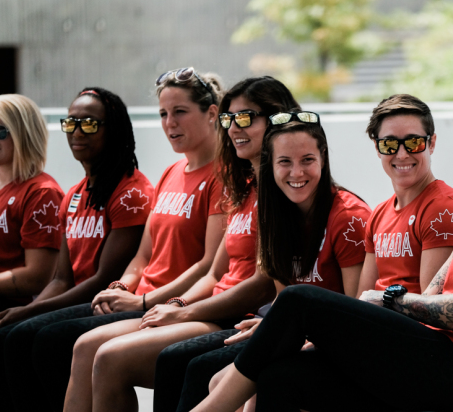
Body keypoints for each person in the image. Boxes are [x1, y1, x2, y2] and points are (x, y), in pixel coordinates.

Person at [192, 101, 453, 412]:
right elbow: (433, 294)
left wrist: (388, 300)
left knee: (298, 300)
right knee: (282, 378)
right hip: (423, 356)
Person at [61, 76, 305, 412]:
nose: (234, 128)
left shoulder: (282, 193)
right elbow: (215, 272)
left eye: (246, 117)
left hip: (233, 315)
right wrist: (176, 304)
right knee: (87, 347)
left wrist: (177, 308)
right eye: (230, 119)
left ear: (278, 119)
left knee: (114, 356)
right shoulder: (245, 188)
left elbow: (262, 284)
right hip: (208, 306)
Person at [2, 68, 225, 412]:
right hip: (137, 297)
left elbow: (208, 266)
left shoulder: (216, 179)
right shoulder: (170, 173)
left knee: (53, 341)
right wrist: (122, 286)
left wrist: (144, 300)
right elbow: (142, 256)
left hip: (168, 303)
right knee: (22, 336)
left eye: (180, 112)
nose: (170, 123)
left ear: (211, 114)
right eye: (163, 114)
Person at [158, 111, 372, 412]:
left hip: (334, 342)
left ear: (323, 158)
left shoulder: (349, 217)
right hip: (293, 334)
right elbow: (284, 298)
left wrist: (285, 333)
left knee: (240, 379)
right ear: (269, 164)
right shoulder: (275, 213)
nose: (296, 172)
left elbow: (354, 313)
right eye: (284, 161)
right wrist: (271, 327)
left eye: (307, 160)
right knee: (207, 374)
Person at [0, 88, 153, 412]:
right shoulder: (74, 195)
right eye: (70, 123)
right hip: (77, 299)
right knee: (13, 334)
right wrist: (30, 311)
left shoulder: (131, 193)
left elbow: (103, 279)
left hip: (106, 302)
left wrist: (28, 312)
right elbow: (61, 279)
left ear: (114, 130)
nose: (77, 132)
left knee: (40, 340)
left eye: (89, 124)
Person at [357, 94, 453, 296]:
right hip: (376, 314)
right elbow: (361, 298)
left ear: (431, 143)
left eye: (413, 142)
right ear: (377, 148)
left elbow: (431, 306)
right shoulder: (379, 214)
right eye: (389, 144)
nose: (402, 154)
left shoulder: (444, 210)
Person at [0, 94, 63, 309]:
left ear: (23, 134)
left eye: (0, 131)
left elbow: (37, 278)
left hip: (14, 310)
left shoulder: (42, 193)